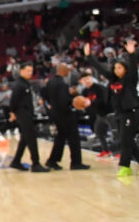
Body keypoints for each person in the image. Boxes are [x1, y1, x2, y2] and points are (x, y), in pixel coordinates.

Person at [84, 39, 137, 177]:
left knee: (125, 140)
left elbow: (133, 67)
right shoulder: (113, 80)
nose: (117, 70)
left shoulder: (130, 79)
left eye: (120, 67)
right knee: (128, 141)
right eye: (115, 68)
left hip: (131, 113)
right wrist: (89, 56)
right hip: (119, 114)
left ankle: (125, 167)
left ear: (125, 69)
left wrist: (132, 54)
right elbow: (100, 68)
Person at [42, 61, 89, 171]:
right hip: (65, 114)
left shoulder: (50, 82)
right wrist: (73, 98)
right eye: (67, 69)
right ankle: (76, 163)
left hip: (55, 113)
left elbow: (46, 97)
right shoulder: (61, 83)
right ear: (62, 70)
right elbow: (64, 101)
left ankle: (52, 161)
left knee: (60, 137)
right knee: (73, 138)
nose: (68, 71)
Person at [6, 62, 48, 173]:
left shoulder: (25, 83)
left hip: (27, 113)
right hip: (23, 114)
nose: (30, 73)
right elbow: (13, 100)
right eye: (28, 70)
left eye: (31, 70)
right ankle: (36, 163)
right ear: (21, 71)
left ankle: (16, 161)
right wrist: (13, 113)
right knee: (31, 138)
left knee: (25, 139)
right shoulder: (19, 84)